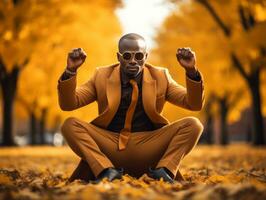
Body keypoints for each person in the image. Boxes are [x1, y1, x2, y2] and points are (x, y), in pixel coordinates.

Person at [57, 33, 204, 184]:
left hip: (149, 146)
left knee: (193, 125)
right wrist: (70, 71)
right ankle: (105, 170)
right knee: (70, 125)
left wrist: (191, 72)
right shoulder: (101, 75)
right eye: (127, 56)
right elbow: (69, 104)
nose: (133, 61)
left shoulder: (161, 76)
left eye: (139, 56)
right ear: (118, 57)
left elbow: (193, 104)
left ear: (146, 57)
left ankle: (164, 170)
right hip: (110, 146)